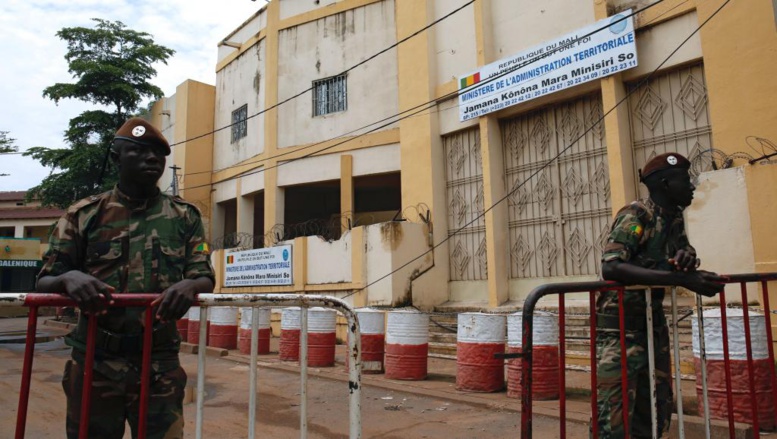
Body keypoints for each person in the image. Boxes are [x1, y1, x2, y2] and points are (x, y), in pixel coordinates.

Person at [37, 117, 215, 439]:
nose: (152, 159)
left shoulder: (184, 216)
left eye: (158, 154)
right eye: (139, 151)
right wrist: (69, 278)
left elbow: (203, 275)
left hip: (159, 360)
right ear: (117, 158)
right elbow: (45, 279)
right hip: (95, 358)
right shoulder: (85, 214)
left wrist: (190, 285)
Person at [595, 152, 724, 438]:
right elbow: (611, 266)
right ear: (665, 184)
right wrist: (679, 278)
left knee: (654, 413)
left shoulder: (673, 217)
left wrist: (686, 258)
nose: (691, 186)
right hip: (619, 330)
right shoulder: (637, 215)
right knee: (613, 419)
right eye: (684, 180)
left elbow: (683, 250)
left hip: (652, 326)